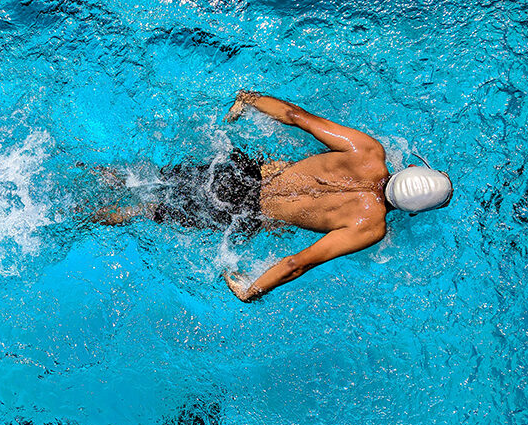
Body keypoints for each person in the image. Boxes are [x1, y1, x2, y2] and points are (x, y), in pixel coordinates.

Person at [92, 90, 453, 302]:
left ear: (410, 169)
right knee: (147, 210)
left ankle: (95, 174)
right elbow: (299, 262)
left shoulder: (368, 151)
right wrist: (252, 289)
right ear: (413, 211)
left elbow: (297, 116)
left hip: (239, 171)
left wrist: (250, 100)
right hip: (243, 212)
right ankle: (82, 216)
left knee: (144, 179)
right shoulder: (370, 226)